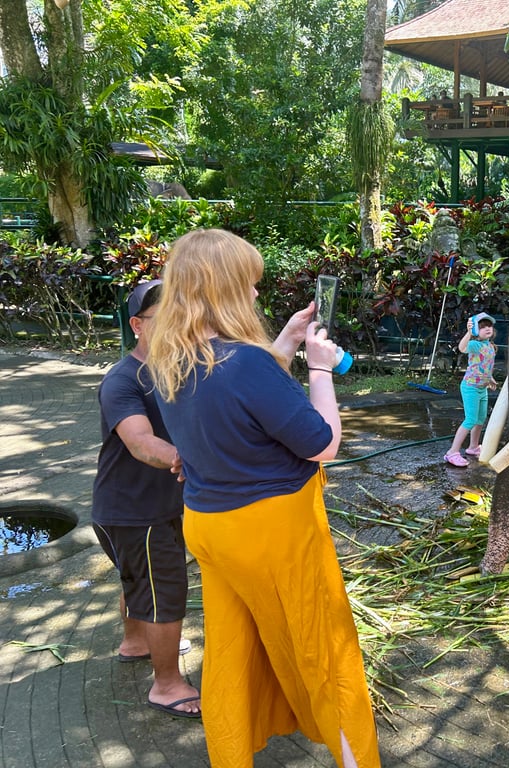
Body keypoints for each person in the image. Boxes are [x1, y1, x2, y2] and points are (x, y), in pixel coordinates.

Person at [146, 229, 380, 768]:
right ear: (222, 289)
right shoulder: (244, 363)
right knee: (324, 655)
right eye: (249, 285)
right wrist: (319, 369)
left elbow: (236, 397)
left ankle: (230, 756)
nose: (256, 295)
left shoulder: (172, 357)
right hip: (272, 534)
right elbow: (322, 444)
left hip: (211, 528)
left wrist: (289, 343)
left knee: (230, 653)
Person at [91, 279, 201, 718]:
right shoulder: (122, 379)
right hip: (137, 512)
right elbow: (139, 442)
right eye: (164, 317)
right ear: (137, 325)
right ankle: (167, 684)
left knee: (139, 582)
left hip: (141, 507)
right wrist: (190, 459)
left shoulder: (178, 367)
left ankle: (136, 643)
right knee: (164, 593)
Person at [444, 312, 499, 467]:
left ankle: (473, 447)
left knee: (480, 419)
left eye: (489, 326)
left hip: (482, 388)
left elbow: (485, 366)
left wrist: (490, 378)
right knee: (470, 420)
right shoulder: (476, 345)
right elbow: (462, 348)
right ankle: (452, 452)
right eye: (482, 327)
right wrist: (468, 333)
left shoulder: (491, 347)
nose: (487, 329)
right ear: (475, 330)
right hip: (471, 387)